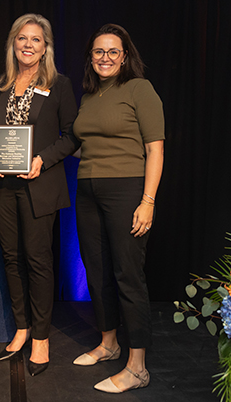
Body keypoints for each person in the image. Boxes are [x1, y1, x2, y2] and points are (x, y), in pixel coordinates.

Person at [0, 13, 79, 377]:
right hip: (3, 187)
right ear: (13, 43)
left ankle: (41, 338)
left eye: (36, 39)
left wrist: (42, 160)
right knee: (11, 257)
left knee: (38, 260)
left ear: (45, 47)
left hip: (40, 185)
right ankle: (21, 327)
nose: (28, 45)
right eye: (22, 38)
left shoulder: (59, 85)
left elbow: (72, 135)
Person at [71, 23, 165, 394]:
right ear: (90, 57)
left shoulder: (139, 89)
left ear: (125, 56)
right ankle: (109, 344)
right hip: (87, 190)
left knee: (128, 275)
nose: (105, 58)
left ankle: (137, 366)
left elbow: (155, 149)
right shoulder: (90, 94)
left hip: (127, 190)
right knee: (96, 270)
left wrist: (148, 201)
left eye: (113, 52)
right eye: (98, 52)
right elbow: (82, 142)